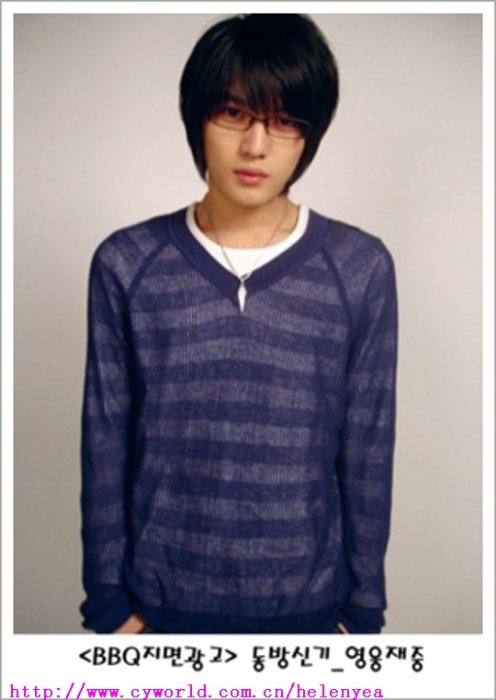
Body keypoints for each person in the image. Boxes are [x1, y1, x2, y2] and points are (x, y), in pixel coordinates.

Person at [80, 13, 398, 635]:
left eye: (284, 121)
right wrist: (108, 607)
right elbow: (105, 441)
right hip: (156, 616)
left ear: (309, 136)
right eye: (233, 113)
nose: (256, 145)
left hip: (311, 617)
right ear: (197, 117)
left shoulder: (358, 268)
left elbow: (368, 446)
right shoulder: (127, 263)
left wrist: (362, 612)